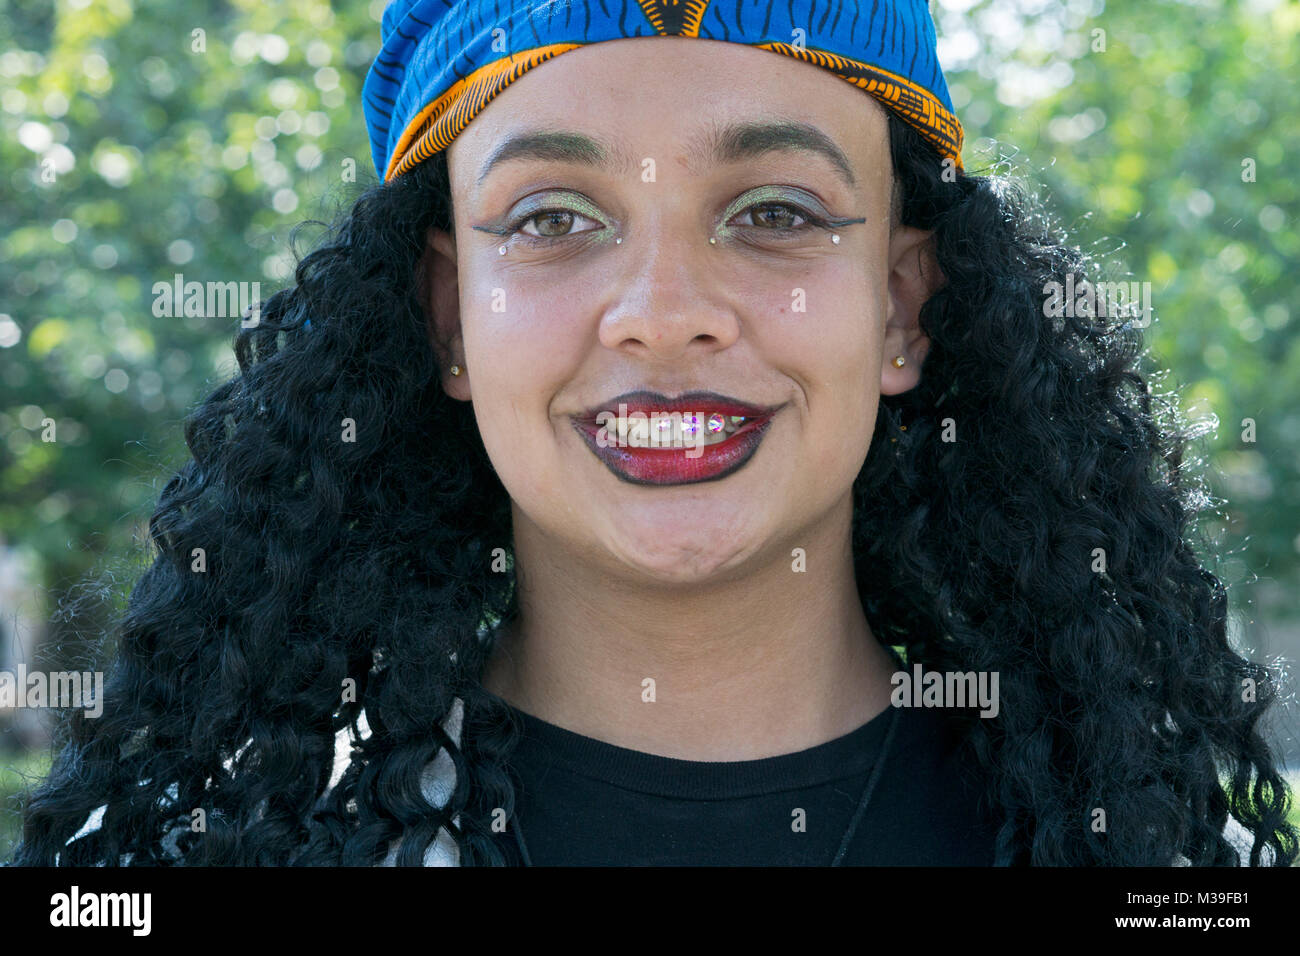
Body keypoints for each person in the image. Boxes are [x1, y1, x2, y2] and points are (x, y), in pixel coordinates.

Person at [12, 0, 1297, 867]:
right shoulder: (197, 855)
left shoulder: (1170, 865)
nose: (664, 316)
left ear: (900, 309)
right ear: (448, 317)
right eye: (553, 217)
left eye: (776, 210)